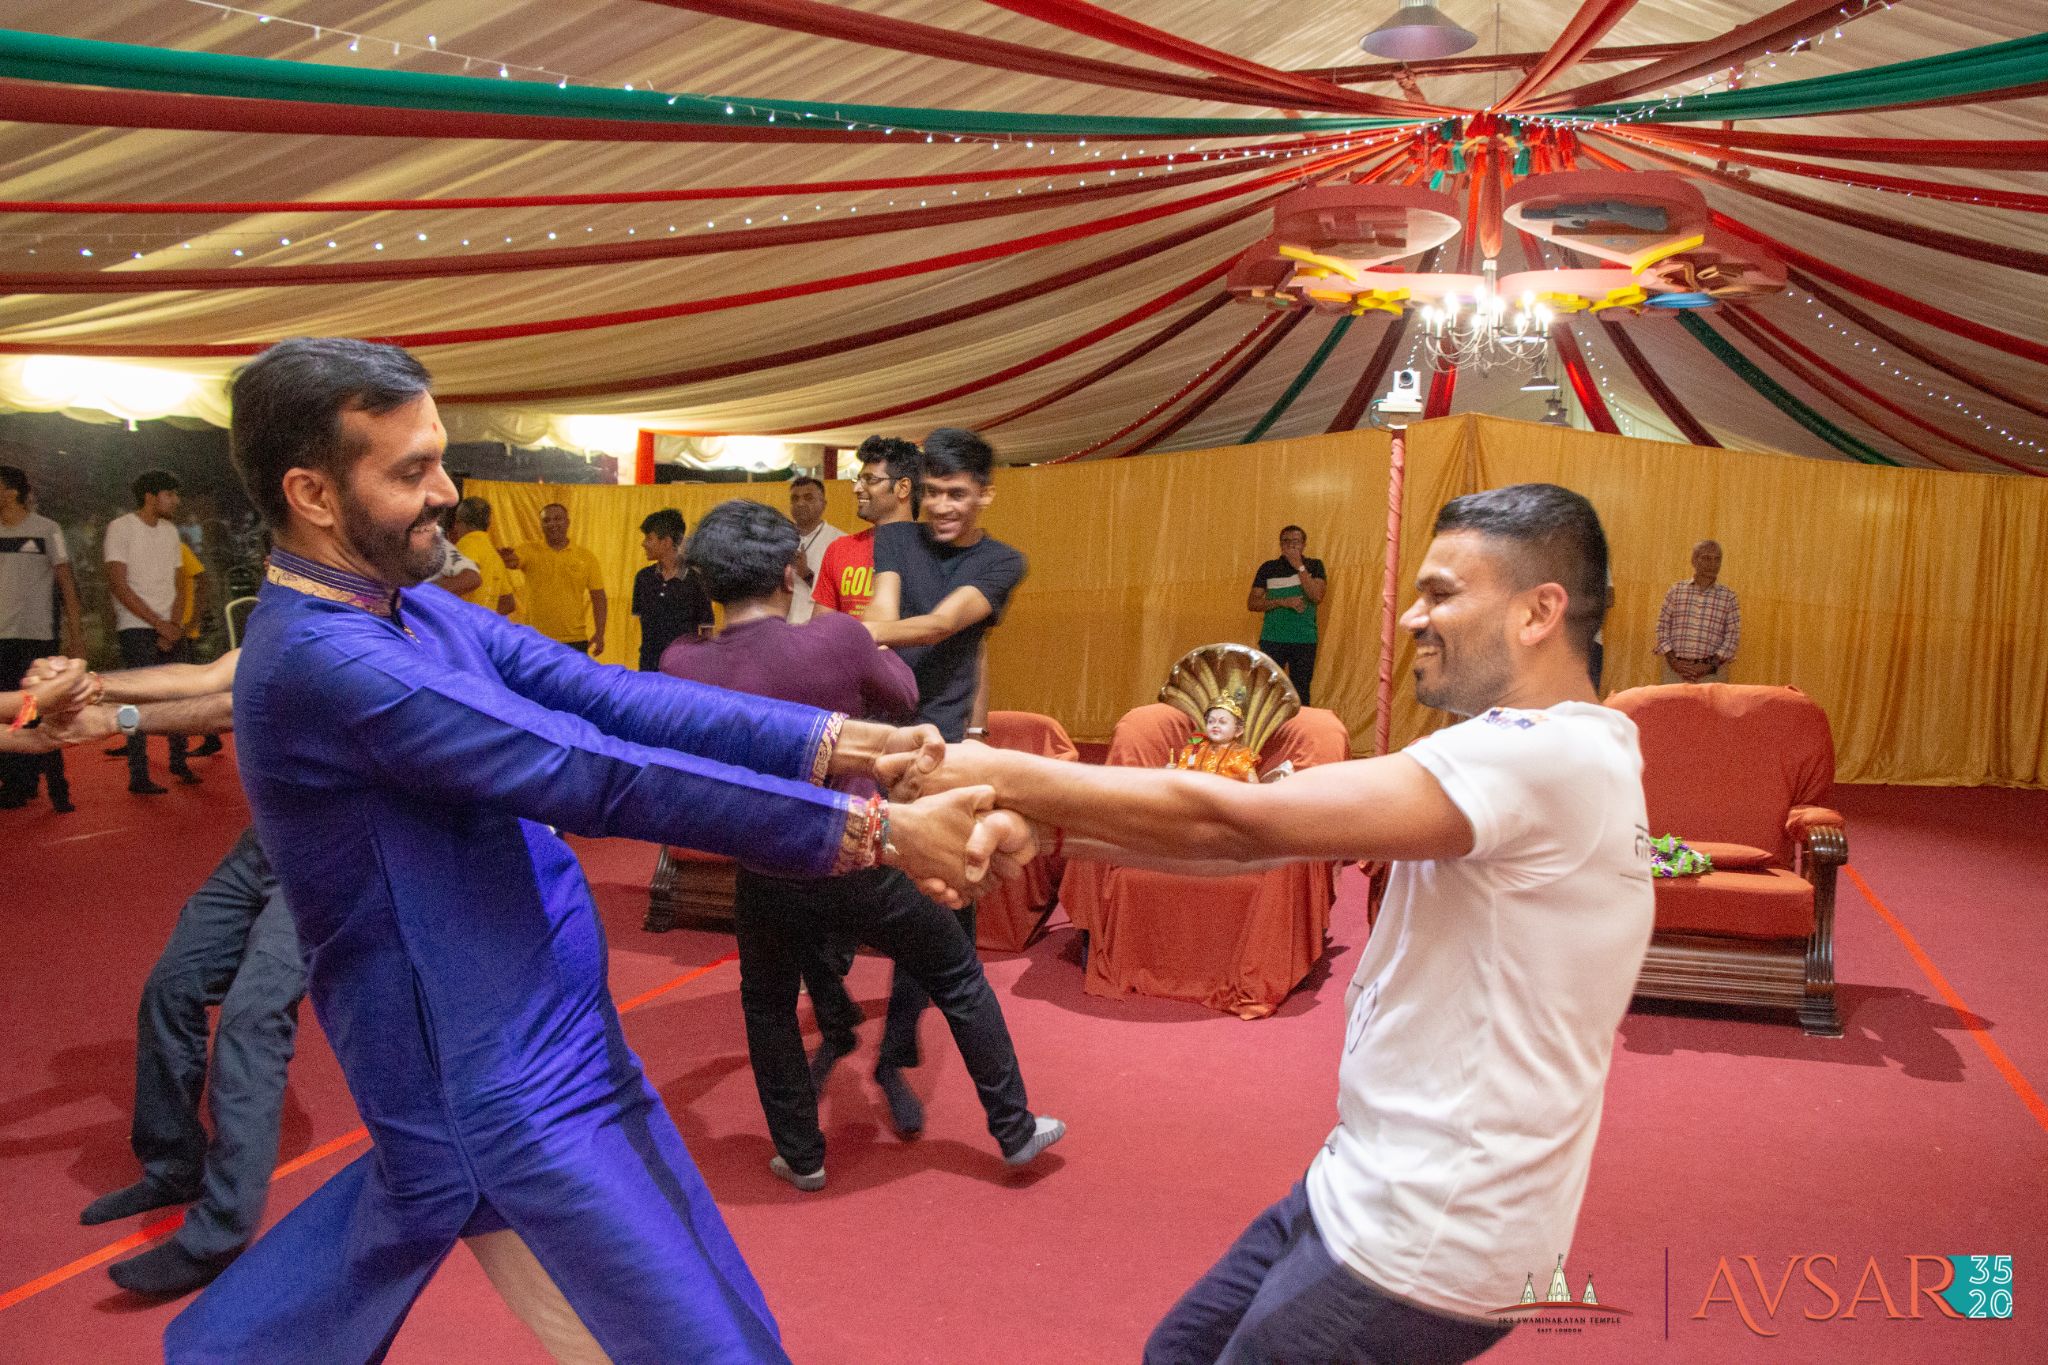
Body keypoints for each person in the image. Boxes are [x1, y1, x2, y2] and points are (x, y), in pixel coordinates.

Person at [164, 337, 1000, 1365]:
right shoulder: (326, 658)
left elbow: (604, 693)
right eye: (413, 471)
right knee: (704, 1349)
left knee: (717, 1320)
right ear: (312, 494)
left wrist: (845, 745)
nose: (448, 492)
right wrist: (875, 831)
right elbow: (589, 769)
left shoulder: (408, 608)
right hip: (494, 1093)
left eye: (440, 460)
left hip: (554, 1039)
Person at [930, 484, 1654, 1365]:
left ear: (1539, 612)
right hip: (1362, 1184)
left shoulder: (1542, 753)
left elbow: (1243, 822)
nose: (1414, 618)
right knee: (1177, 1351)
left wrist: (986, 768)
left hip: (1424, 1242)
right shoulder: (1560, 750)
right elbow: (1267, 845)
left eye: (1441, 593)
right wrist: (1054, 835)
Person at [663, 500, 1062, 1190]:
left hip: (763, 863)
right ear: (790, 572)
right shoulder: (834, 638)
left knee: (767, 1005)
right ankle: (1014, 1128)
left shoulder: (681, 662)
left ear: (708, 580)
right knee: (957, 974)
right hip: (857, 850)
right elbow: (902, 694)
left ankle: (802, 1154)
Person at [860, 426, 1027, 1137]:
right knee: (839, 890)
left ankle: (894, 1056)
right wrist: (862, 632)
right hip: (875, 738)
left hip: (942, 754)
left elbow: (937, 625)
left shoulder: (1002, 562)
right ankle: (841, 1027)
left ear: (984, 494)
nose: (942, 506)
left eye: (956, 493)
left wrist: (842, 635)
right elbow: (883, 611)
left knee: (941, 909)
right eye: (931, 493)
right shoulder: (897, 539)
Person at [104, 469, 198, 792]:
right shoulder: (120, 528)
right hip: (136, 627)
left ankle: (179, 760)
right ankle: (138, 772)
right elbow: (118, 584)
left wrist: (174, 625)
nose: (176, 501)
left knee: (178, 697)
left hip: (169, 626)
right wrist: (160, 624)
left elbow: (180, 582)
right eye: (170, 494)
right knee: (135, 702)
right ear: (150, 497)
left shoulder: (170, 531)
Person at [0, 463, 83, 810]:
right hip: (2, 638)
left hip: (36, 637)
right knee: (9, 714)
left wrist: (76, 634)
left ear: (12, 491)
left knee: (37, 709)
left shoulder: (48, 529)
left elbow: (66, 583)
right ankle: (18, 783)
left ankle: (57, 788)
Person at [812, 435, 920, 619]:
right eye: (858, 479)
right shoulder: (840, 549)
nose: (857, 489)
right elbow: (821, 629)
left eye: (870, 479)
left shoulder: (934, 552)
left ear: (903, 488)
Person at [506, 501, 606, 655]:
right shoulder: (528, 550)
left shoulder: (586, 557)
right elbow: (514, 562)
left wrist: (600, 633)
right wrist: (506, 558)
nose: (552, 524)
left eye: (558, 519)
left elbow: (598, 597)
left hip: (575, 639)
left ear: (568, 522)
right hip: (536, 639)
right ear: (541, 525)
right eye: (546, 520)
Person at [1248, 525, 1326, 708]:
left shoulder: (1315, 565)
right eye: (1286, 541)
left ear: (1304, 545)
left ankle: (1300, 725)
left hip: (1304, 639)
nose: (1291, 545)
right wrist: (1282, 602)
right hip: (1272, 638)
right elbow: (1252, 603)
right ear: (1280, 545)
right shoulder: (1268, 568)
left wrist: (1299, 566)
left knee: (1301, 691)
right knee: (1267, 691)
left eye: (1296, 541)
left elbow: (1316, 596)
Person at [632, 508, 714, 671]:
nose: (643, 543)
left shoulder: (697, 579)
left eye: (649, 538)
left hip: (685, 667)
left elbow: (706, 629)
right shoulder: (643, 578)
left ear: (666, 542)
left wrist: (705, 666)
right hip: (649, 667)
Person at [1654, 539, 1739, 683]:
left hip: (1712, 674)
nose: (1712, 564)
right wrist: (1674, 662)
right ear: (1693, 560)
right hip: (1674, 671)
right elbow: (1662, 627)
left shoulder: (1729, 597)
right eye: (1706, 558)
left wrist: (1708, 666)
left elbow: (1732, 637)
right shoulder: (1676, 591)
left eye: (1717, 559)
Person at [785, 474, 842, 624]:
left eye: (808, 498)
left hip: (819, 625)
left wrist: (807, 575)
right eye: (795, 499)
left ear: (824, 504)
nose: (800, 503)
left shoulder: (840, 541)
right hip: (784, 625)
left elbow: (842, 592)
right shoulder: (781, 538)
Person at [444, 496, 515, 615]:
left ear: (459, 522)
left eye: (456, 523)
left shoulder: (468, 543)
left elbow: (470, 579)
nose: (455, 528)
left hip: (461, 625)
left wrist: (428, 592)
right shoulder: (493, 555)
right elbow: (509, 603)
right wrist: (482, 619)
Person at [1168, 695, 1261, 783]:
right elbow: (1181, 778)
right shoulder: (1193, 750)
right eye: (1211, 721)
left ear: (1238, 731)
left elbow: (1253, 787)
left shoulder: (1242, 755)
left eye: (1222, 722)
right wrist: (1170, 773)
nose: (1215, 725)